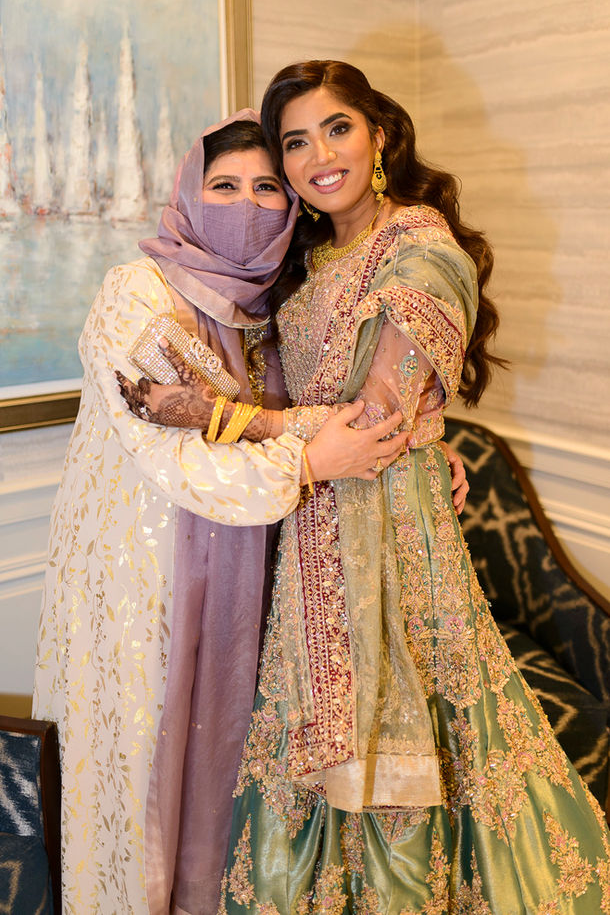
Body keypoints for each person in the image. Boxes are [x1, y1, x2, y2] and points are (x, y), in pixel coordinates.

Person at [123, 61, 610, 913]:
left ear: (379, 133)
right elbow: (348, 407)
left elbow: (373, 423)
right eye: (296, 142)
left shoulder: (420, 250)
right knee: (311, 752)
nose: (319, 157)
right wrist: (430, 435)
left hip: (394, 543)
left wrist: (214, 415)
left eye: (337, 129)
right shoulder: (313, 258)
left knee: (414, 743)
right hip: (313, 531)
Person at [32, 110, 416, 915]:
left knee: (220, 783)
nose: (246, 204)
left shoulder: (268, 319)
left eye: (267, 187)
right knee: (141, 785)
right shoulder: (134, 294)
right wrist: (311, 461)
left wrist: (424, 446)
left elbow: (334, 411)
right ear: (188, 194)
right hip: (142, 589)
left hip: (243, 588)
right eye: (224, 185)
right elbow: (178, 460)